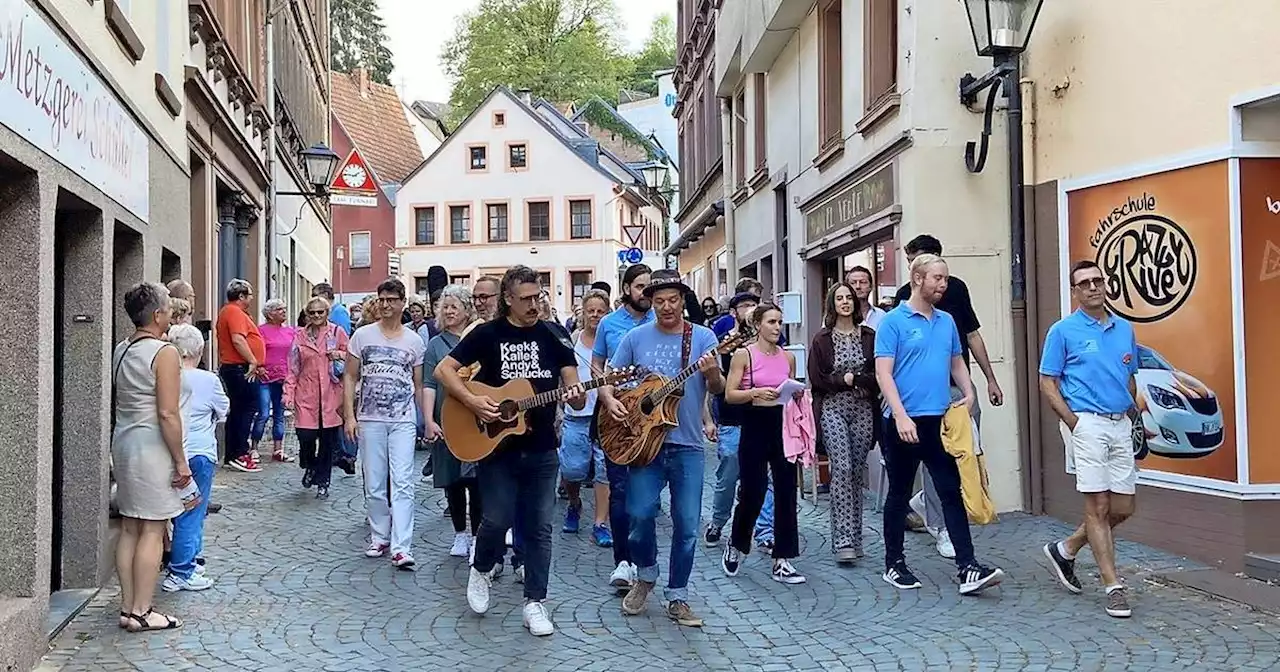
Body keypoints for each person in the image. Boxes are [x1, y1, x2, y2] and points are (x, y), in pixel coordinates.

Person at [435, 266, 586, 637]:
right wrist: (472, 401)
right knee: (496, 519)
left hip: (542, 448)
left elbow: (575, 391)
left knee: (539, 528)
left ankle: (536, 602)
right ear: (508, 300)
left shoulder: (554, 334)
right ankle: (481, 566)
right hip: (496, 445)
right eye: (526, 299)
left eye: (539, 297)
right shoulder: (488, 334)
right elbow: (443, 370)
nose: (535, 304)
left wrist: (578, 394)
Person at [600, 269, 724, 628]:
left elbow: (716, 388)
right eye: (659, 301)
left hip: (687, 444)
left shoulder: (701, 337)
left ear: (683, 301)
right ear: (650, 302)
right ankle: (647, 573)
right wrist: (610, 401)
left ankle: (678, 594)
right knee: (639, 515)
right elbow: (608, 379)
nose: (666, 307)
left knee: (687, 524)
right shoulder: (636, 338)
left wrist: (712, 372)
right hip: (644, 443)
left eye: (672, 300)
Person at [875, 254, 1003, 594]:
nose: (943, 285)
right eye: (937, 278)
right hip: (902, 422)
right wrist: (900, 414)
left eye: (945, 278)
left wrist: (969, 391)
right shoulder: (894, 322)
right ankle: (894, 563)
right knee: (899, 494)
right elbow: (883, 373)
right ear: (918, 279)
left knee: (950, 490)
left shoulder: (946, 321)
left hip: (940, 421)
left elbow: (956, 361)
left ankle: (968, 567)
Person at [1039, 260, 1141, 619]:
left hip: (1119, 424)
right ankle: (1112, 585)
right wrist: (1073, 422)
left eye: (1098, 280)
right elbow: (1047, 381)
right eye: (1084, 283)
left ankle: (1066, 549)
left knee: (1123, 508)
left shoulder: (1124, 329)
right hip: (1087, 425)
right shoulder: (1063, 331)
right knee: (1097, 506)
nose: (1093, 287)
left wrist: (1133, 415)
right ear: (1075, 292)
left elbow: (1129, 377)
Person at [112, 283, 188, 631]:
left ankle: (128, 607)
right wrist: (181, 460)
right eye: (169, 309)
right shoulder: (164, 352)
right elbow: (168, 414)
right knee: (153, 529)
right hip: (152, 447)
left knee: (130, 527)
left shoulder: (121, 349)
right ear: (157, 315)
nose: (172, 315)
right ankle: (142, 611)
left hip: (124, 442)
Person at [720, 303, 806, 584]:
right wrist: (755, 392)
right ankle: (737, 542)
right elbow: (730, 394)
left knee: (786, 490)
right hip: (755, 422)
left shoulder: (788, 358)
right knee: (753, 491)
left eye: (780, 322)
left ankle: (783, 558)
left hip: (782, 424)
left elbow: (792, 388)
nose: (777, 327)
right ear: (757, 325)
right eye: (771, 322)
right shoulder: (743, 355)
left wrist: (795, 395)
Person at [344, 278, 426, 570]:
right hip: (369, 418)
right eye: (382, 299)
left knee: (403, 482)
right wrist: (350, 415)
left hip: (402, 419)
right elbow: (351, 376)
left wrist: (425, 419)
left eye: (392, 299)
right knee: (375, 482)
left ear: (403, 303)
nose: (386, 304)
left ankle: (402, 546)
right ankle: (380, 535)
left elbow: (418, 383)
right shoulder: (362, 336)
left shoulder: (414, 341)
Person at [591, 263, 653, 591]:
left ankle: (645, 558)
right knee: (619, 488)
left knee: (647, 495)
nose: (647, 293)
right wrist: (605, 393)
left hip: (652, 417)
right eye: (641, 287)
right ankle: (623, 562)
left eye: (650, 287)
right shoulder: (609, 323)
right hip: (615, 413)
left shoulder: (661, 321)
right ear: (627, 288)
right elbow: (599, 363)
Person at [809, 283, 878, 564]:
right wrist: (844, 380)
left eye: (849, 297)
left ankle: (857, 537)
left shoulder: (870, 336)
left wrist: (859, 380)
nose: (845, 302)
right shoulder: (822, 338)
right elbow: (817, 378)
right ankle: (843, 540)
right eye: (840, 298)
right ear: (832, 304)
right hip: (833, 407)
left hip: (863, 407)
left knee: (855, 471)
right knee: (842, 468)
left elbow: (879, 371)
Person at [704, 292, 773, 549]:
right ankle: (718, 521)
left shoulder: (772, 340)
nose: (750, 309)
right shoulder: (725, 344)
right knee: (728, 474)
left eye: (754, 304)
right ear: (733, 312)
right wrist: (708, 419)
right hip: (733, 419)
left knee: (765, 477)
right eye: (744, 305)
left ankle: (765, 531)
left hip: (765, 417)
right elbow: (711, 384)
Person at [162, 324, 227, 593]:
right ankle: (181, 571)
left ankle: (184, 561)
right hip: (199, 452)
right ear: (200, 350)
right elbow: (223, 410)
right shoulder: (208, 380)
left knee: (174, 513)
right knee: (193, 513)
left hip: (169, 451)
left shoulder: (166, 376)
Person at [422, 285, 484, 558]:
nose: (448, 311)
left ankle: (477, 535)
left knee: (477, 481)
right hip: (446, 419)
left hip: (477, 419)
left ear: (466, 311)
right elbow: (428, 384)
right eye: (444, 307)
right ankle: (460, 533)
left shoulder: (478, 338)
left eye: (453, 306)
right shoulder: (435, 345)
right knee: (452, 480)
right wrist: (427, 420)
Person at [559, 290, 613, 546]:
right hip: (576, 415)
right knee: (572, 469)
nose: (595, 315)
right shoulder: (573, 340)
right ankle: (574, 503)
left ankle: (600, 523)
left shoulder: (613, 341)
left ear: (607, 312)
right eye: (590, 310)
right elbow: (563, 373)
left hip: (604, 417)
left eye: (600, 310)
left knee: (604, 470)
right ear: (582, 312)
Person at [286, 296, 349, 499]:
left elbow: (352, 357)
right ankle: (309, 464)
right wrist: (288, 393)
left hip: (331, 394)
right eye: (312, 312)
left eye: (320, 312)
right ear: (306, 314)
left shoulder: (337, 333)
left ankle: (323, 481)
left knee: (327, 442)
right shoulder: (300, 337)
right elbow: (292, 367)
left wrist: (338, 355)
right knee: (305, 436)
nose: (316, 316)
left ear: (327, 313)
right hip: (306, 395)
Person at [216, 279, 264, 473]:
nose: (251, 298)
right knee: (245, 409)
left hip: (237, 366)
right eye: (250, 295)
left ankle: (235, 453)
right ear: (241, 296)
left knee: (241, 409)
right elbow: (238, 339)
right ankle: (238, 453)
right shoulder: (233, 312)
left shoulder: (231, 312)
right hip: (238, 367)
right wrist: (252, 360)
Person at [253, 298, 296, 463]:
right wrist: (258, 366)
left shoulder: (290, 331)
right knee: (263, 413)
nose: (283, 311)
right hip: (265, 377)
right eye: (279, 309)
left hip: (283, 377)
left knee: (280, 414)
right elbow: (256, 350)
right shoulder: (260, 331)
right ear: (270, 314)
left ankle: (278, 449)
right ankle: (254, 447)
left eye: (284, 309)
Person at [844, 266, 887, 330]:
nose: (858, 287)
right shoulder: (839, 318)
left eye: (863, 282)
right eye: (853, 283)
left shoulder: (882, 316)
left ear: (871, 286)